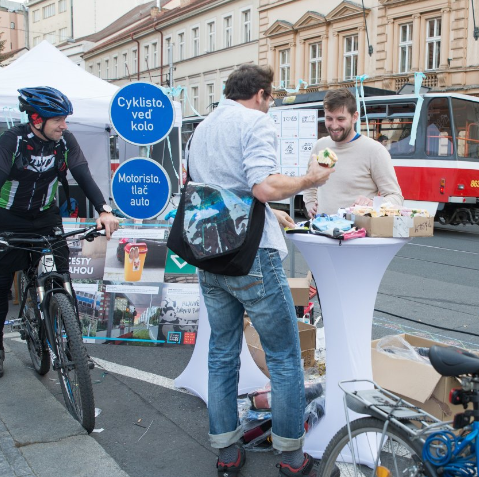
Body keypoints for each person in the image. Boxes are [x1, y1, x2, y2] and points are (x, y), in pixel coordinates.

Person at [187, 64, 333, 477]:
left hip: (209, 253)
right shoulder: (255, 122)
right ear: (263, 94)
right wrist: (310, 178)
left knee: (221, 354)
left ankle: (227, 453)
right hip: (251, 256)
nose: (270, 107)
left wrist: (270, 214)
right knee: (285, 357)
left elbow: (215, 187)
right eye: (271, 99)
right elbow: (262, 186)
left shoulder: (202, 127)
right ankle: (291, 458)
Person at [0, 86, 119, 380]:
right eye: (58, 119)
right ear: (37, 119)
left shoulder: (64, 141)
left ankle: (74, 346)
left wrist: (104, 209)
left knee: (61, 281)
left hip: (47, 217)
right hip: (10, 219)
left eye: (65, 119)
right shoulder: (13, 139)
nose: (64, 125)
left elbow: (82, 172)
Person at [303, 89, 403, 217]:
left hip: (358, 234)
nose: (334, 126)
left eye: (340, 119)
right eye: (329, 118)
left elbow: (395, 197)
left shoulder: (375, 151)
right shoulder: (320, 146)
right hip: (322, 232)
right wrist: (310, 205)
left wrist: (372, 204)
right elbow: (309, 185)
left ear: (354, 117)